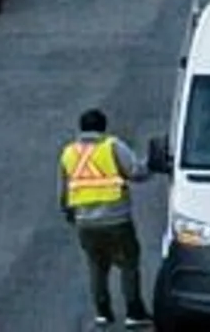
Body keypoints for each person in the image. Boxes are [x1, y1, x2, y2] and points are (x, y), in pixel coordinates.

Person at [58, 105, 150, 326]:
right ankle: (134, 312)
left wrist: (69, 213)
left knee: (97, 265)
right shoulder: (112, 146)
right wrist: (152, 165)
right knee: (129, 263)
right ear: (103, 127)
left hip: (85, 222)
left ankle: (102, 312)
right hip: (116, 218)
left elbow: (65, 190)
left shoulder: (69, 152)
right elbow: (136, 172)